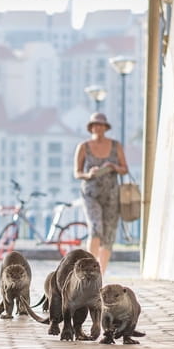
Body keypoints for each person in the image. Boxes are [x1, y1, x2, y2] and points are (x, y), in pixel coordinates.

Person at [73, 112, 129, 276]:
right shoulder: (83, 146)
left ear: (105, 127)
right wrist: (88, 174)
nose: (98, 127)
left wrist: (113, 166)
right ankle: (88, 270)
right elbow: (77, 172)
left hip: (111, 194)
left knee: (109, 233)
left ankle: (100, 273)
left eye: (101, 125)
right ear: (91, 128)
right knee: (96, 228)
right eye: (95, 125)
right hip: (91, 194)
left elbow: (125, 169)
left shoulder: (116, 146)